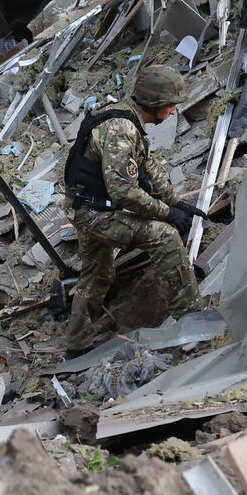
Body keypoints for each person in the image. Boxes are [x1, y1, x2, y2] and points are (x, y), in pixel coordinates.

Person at [62, 65, 207, 354]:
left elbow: (146, 167)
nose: (174, 112)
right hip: (96, 214)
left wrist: (175, 201)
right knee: (164, 237)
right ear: (154, 104)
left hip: (85, 206)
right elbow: (124, 192)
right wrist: (167, 214)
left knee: (98, 274)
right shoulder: (120, 131)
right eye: (171, 106)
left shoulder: (124, 117)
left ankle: (76, 345)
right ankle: (192, 321)